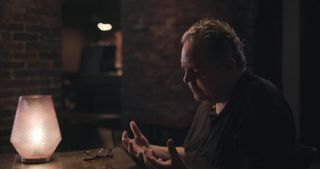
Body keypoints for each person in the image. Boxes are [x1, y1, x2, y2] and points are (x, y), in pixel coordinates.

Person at [121, 18, 297, 169]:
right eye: (185, 69)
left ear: (229, 66)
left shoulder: (260, 104)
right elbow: (198, 157)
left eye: (196, 70)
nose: (186, 79)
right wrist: (149, 149)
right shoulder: (211, 101)